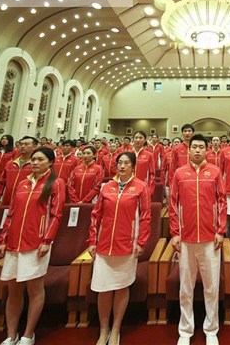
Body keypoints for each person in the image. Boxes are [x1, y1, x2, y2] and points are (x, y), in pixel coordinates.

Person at [0, 147, 66, 345]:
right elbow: (11, 213)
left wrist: (47, 240)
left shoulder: (56, 183)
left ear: (50, 162)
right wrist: (3, 238)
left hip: (37, 243)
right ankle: (11, 335)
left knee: (34, 288)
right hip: (13, 243)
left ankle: (28, 334)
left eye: (40, 159)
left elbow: (56, 214)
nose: (34, 162)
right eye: (33, 159)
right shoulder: (22, 183)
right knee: (13, 289)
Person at [87, 152, 151, 345]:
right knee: (103, 288)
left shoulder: (141, 187)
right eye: (119, 163)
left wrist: (141, 242)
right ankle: (103, 330)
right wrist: (92, 241)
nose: (122, 166)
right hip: (104, 245)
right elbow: (96, 215)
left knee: (121, 287)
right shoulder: (107, 187)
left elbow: (146, 217)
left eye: (126, 163)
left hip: (127, 244)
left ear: (133, 166)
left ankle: (115, 330)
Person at [169, 134, 227, 345]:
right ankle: (185, 330)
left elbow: (222, 202)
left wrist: (220, 230)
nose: (197, 150)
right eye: (194, 147)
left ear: (207, 150)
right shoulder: (179, 173)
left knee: (211, 286)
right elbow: (173, 204)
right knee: (186, 286)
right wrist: (175, 232)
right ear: (188, 150)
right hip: (186, 238)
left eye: (201, 147)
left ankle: (211, 329)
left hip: (211, 238)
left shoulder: (215, 172)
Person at [0, 136, 37, 206]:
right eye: (21, 144)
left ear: (34, 147)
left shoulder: (36, 165)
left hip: (25, 203)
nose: (22, 146)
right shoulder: (10, 164)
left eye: (26, 144)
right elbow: (1, 182)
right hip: (6, 201)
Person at [131, 131, 156, 196]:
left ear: (145, 140)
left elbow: (152, 174)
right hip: (128, 187)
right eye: (136, 138)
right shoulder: (128, 154)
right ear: (133, 139)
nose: (138, 140)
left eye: (140, 138)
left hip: (143, 187)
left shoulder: (149, 155)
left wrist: (149, 190)